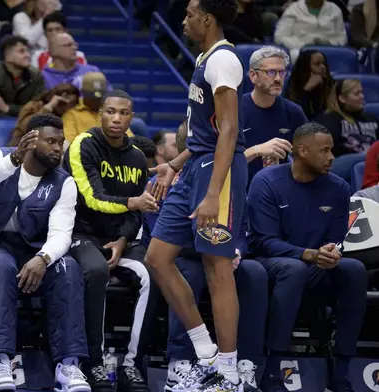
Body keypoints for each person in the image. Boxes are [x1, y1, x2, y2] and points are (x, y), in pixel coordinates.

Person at [145, 0, 247, 389]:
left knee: (217, 270)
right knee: (158, 257)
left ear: (208, 19)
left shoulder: (222, 61)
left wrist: (213, 192)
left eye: (189, 14)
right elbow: (206, 132)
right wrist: (176, 163)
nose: (183, 21)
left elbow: (229, 132)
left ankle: (228, 370)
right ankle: (205, 351)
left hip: (215, 175)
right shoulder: (206, 56)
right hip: (197, 166)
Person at [0, 113, 90, 392]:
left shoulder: (64, 183)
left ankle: (68, 364)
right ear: (30, 141)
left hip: (33, 249)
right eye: (51, 141)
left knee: (68, 269)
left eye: (61, 142)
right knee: (1, 265)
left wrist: (43, 258)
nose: (58, 148)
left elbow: (60, 234)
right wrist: (13, 161)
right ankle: (0, 359)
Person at [142, 122, 267, 392]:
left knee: (253, 273)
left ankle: (238, 365)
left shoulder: (224, 91)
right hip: (186, 254)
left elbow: (242, 228)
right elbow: (155, 230)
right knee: (169, 263)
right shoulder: (162, 182)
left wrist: (236, 249)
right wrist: (176, 166)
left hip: (211, 190)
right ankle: (184, 361)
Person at [247, 122, 366, 392]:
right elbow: (265, 242)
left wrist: (331, 253)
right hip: (271, 264)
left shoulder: (338, 187)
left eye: (331, 150)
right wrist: (308, 254)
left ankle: (342, 373)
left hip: (315, 264)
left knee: (354, 270)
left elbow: (337, 239)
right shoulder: (266, 182)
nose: (331, 157)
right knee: (294, 269)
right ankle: (272, 370)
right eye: (324, 151)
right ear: (301, 151)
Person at [63, 90, 159, 392]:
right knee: (96, 271)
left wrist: (122, 239)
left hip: (120, 238)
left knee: (155, 272)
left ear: (131, 117)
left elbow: (138, 213)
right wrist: (132, 203)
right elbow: (92, 198)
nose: (117, 118)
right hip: (82, 233)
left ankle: (132, 364)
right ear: (100, 113)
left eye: (124, 113)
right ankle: (94, 363)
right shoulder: (83, 145)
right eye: (110, 112)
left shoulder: (137, 157)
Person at [242, 46, 307, 184]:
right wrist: (257, 150)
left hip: (279, 189)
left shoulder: (293, 112)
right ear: (253, 75)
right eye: (271, 72)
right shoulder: (235, 110)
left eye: (282, 72)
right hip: (239, 188)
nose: (278, 78)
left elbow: (308, 156)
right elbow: (219, 163)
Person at [284, 50, 334, 120]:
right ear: (305, 67)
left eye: (324, 63)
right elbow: (296, 116)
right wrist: (307, 90)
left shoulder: (330, 84)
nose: (323, 67)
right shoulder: (293, 85)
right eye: (317, 64)